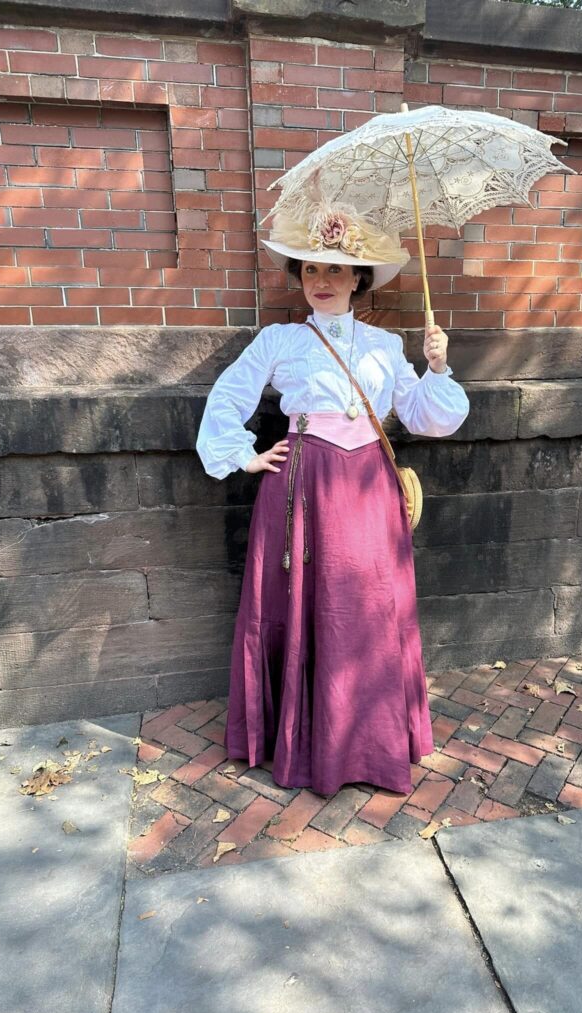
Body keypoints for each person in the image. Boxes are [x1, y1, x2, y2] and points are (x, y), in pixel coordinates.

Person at [195, 200, 470, 797]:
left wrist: (438, 367)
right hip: (300, 489)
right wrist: (244, 455)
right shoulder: (279, 341)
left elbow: (427, 415)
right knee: (303, 607)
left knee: (366, 609)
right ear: (299, 278)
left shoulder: (385, 346)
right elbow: (228, 395)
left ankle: (367, 742)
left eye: (336, 271)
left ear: (358, 279)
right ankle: (302, 743)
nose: (322, 282)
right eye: (311, 270)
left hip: (369, 489)